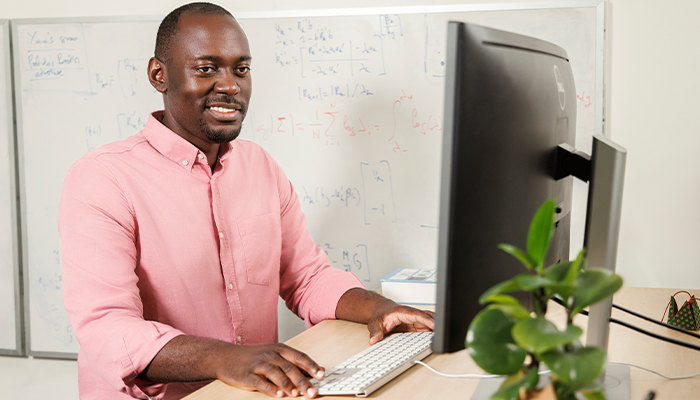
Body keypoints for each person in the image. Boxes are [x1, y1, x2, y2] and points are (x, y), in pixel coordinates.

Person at [58, 3, 434, 400]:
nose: (230, 85)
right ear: (159, 75)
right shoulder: (102, 178)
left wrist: (379, 308)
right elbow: (106, 327)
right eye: (206, 69)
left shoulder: (260, 166)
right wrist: (226, 358)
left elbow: (306, 277)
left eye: (241, 69)